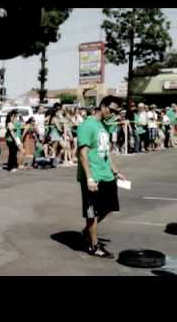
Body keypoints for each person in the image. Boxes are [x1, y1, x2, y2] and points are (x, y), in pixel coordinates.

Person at [77, 95, 126, 258]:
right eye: (111, 110)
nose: (113, 114)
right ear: (103, 106)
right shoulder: (87, 125)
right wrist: (89, 178)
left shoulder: (104, 125)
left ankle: (87, 231)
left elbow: (106, 152)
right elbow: (82, 153)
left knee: (109, 207)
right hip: (93, 176)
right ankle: (94, 246)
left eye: (116, 112)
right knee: (92, 212)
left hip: (106, 174)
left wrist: (116, 171)